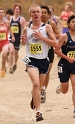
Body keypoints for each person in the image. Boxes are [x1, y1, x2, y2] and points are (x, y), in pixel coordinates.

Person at [22, 4, 57, 121]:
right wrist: (23, 40)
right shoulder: (26, 29)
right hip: (30, 59)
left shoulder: (46, 27)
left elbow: (55, 43)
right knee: (36, 84)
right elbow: (24, 44)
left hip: (44, 60)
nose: (37, 14)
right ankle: (38, 112)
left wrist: (42, 37)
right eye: (34, 12)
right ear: (30, 14)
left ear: (41, 14)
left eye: (38, 12)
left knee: (39, 86)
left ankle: (34, 96)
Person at [55, 15, 75, 117]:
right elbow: (56, 50)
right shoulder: (64, 36)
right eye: (73, 22)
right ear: (68, 24)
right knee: (65, 90)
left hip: (74, 64)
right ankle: (61, 86)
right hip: (64, 64)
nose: (74, 23)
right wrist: (67, 58)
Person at [40, 5, 60, 103]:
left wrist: (49, 34)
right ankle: (38, 87)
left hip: (49, 50)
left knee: (47, 71)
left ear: (49, 15)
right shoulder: (34, 24)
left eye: (45, 12)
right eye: (41, 12)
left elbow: (58, 35)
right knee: (39, 71)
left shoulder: (51, 23)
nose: (43, 14)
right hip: (38, 51)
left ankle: (43, 90)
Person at [10, 3, 26, 72]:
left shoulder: (21, 19)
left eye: (18, 9)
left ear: (20, 10)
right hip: (11, 38)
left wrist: (22, 38)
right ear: (13, 10)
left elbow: (25, 29)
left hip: (18, 38)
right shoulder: (10, 18)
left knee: (16, 53)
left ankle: (15, 63)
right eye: (16, 9)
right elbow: (8, 28)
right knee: (11, 51)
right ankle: (10, 67)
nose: (17, 10)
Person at [0, 7, 15, 77]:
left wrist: (13, 36)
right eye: (0, 13)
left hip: (5, 42)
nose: (1, 14)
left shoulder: (7, 22)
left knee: (4, 54)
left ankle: (3, 69)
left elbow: (9, 29)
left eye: (2, 12)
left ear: (4, 14)